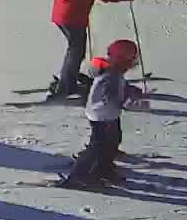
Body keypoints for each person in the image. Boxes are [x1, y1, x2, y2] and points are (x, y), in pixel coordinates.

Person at [48, 0, 133, 98]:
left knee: (75, 49)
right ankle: (66, 85)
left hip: (60, 15)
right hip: (73, 18)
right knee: (76, 51)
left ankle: (69, 77)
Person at [58, 39, 145, 188]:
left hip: (109, 114)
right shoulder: (110, 75)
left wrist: (130, 90)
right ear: (122, 60)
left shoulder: (115, 72)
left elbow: (120, 85)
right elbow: (110, 97)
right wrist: (127, 101)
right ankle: (78, 175)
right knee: (97, 147)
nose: (132, 65)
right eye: (131, 61)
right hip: (101, 115)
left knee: (113, 141)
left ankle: (105, 168)